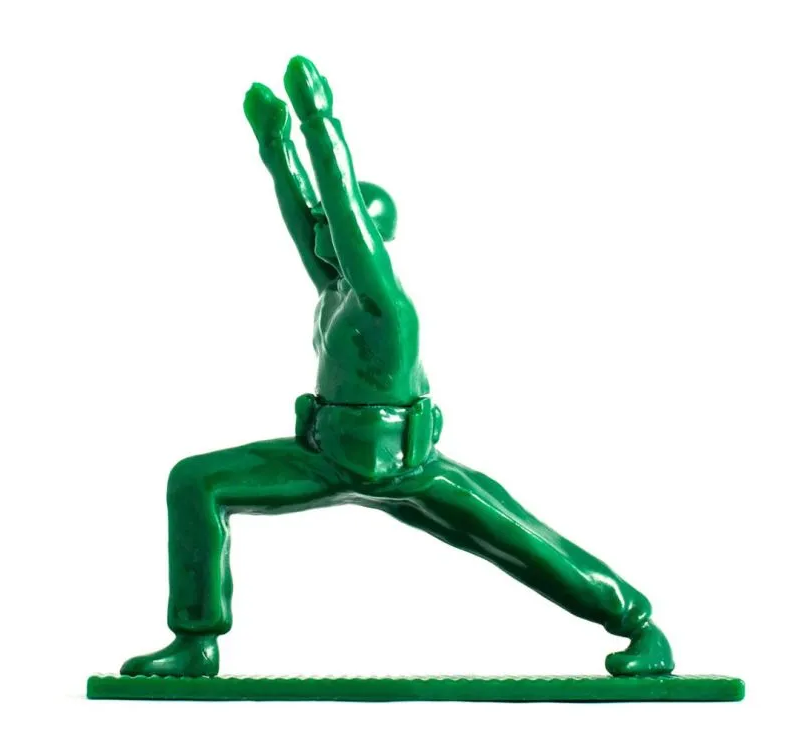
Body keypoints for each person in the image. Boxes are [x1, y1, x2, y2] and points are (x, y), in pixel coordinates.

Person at [121, 56, 674, 678]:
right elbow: (307, 216)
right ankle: (195, 644)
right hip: (327, 455)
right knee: (196, 481)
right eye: (324, 224)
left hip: (404, 466)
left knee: (525, 543)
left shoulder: (384, 304)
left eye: (340, 226)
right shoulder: (333, 289)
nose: (323, 231)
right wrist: (274, 147)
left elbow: (341, 212)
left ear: (368, 238)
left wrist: (318, 122)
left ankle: (639, 626)